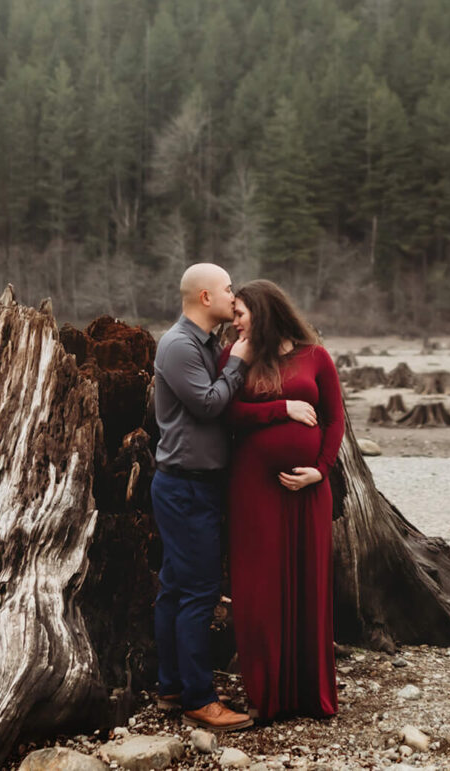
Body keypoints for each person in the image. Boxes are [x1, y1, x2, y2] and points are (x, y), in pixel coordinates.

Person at [222, 279, 345, 721]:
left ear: (263, 309)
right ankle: (266, 697)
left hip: (310, 490)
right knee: (260, 588)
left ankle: (310, 696)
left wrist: (321, 470)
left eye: (239, 312)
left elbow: (334, 420)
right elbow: (224, 411)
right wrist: (283, 408)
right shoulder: (238, 357)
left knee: (309, 584)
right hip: (253, 489)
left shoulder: (316, 356)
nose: (232, 321)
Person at [151, 262, 254, 733]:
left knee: (176, 587)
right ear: (206, 298)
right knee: (199, 592)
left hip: (193, 485)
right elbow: (210, 403)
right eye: (229, 289)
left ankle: (172, 685)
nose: (236, 297)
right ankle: (198, 699)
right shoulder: (177, 345)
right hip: (185, 485)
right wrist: (239, 362)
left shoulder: (206, 342)